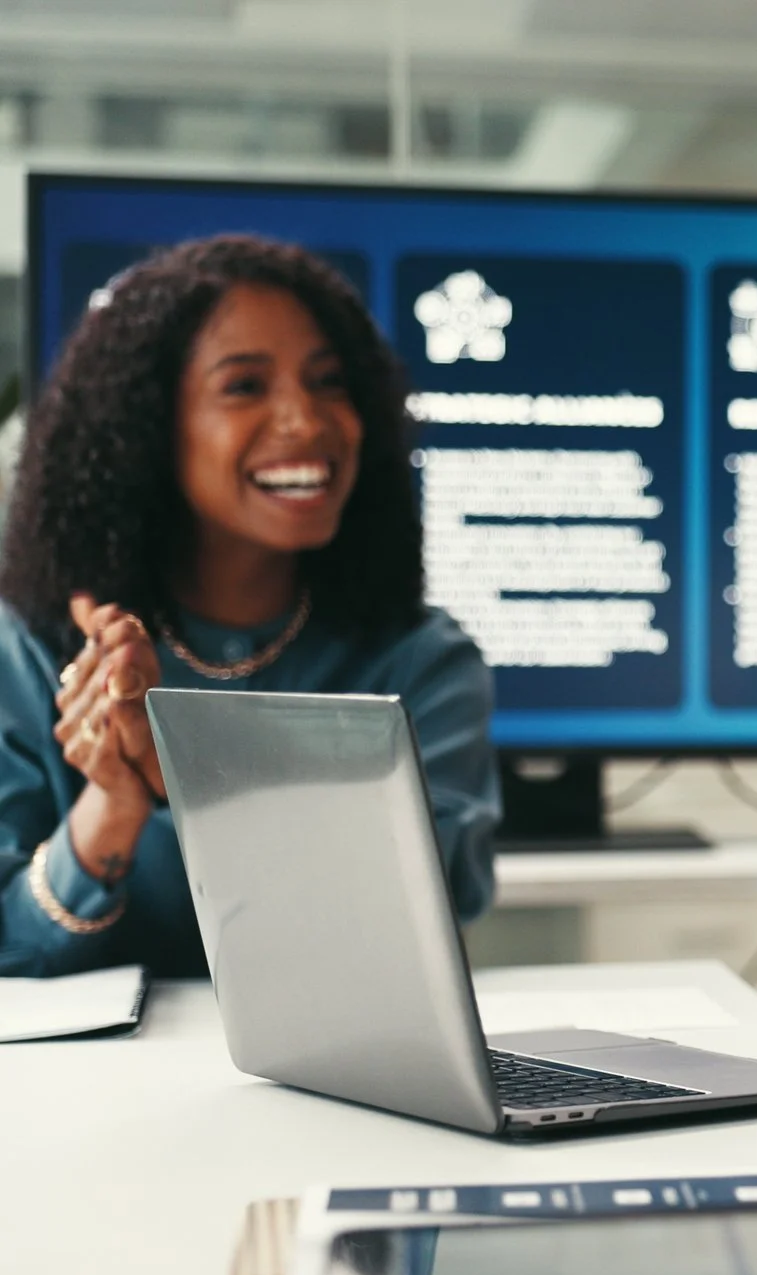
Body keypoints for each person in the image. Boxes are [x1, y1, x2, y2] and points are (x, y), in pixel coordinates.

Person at [0, 236, 499, 980]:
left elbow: (423, 909)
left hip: (340, 1075)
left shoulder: (421, 661)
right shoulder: (37, 649)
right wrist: (112, 807)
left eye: (331, 383)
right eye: (244, 387)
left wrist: (183, 786)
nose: (307, 421)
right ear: (147, 429)